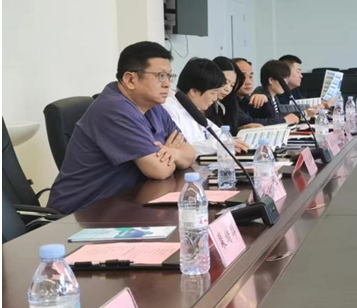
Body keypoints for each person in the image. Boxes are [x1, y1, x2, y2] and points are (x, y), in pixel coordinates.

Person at [48, 42, 196, 214]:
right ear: (130, 80)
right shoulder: (114, 109)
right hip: (79, 215)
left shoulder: (153, 107)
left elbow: (190, 153)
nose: (167, 84)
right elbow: (160, 170)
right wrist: (171, 154)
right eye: (160, 76)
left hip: (121, 205)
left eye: (169, 76)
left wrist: (173, 153)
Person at [164, 58, 250, 156]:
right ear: (194, 92)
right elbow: (184, 149)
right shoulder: (170, 109)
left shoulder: (193, 108)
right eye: (213, 93)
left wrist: (226, 143)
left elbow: (220, 135)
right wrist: (218, 145)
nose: (215, 98)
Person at [208, 56, 262, 134]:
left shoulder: (227, 103)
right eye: (225, 82)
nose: (228, 89)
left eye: (232, 85)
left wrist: (240, 130)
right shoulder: (206, 105)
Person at [234, 57, 287, 126]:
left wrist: (266, 103)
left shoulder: (247, 99)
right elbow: (248, 122)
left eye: (250, 77)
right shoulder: (229, 100)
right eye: (243, 77)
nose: (249, 82)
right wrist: (285, 120)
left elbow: (271, 119)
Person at [246, 59, 302, 125]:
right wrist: (285, 120)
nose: (286, 84)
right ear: (271, 80)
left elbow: (277, 116)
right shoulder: (261, 94)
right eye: (284, 80)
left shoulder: (274, 96)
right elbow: (272, 119)